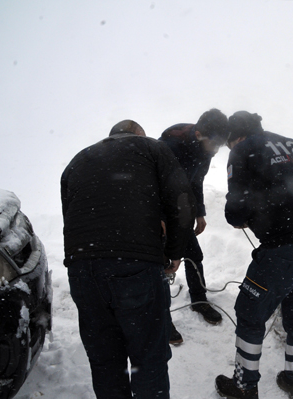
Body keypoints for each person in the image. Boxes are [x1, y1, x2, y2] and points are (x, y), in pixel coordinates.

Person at [61, 120, 195, 399]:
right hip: (134, 266)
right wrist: (174, 252)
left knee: (105, 360)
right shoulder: (152, 148)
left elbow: (70, 215)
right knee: (149, 359)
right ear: (138, 135)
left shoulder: (77, 160)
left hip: (82, 270)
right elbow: (181, 202)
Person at [215, 111, 293, 399]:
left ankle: (243, 386)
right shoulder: (292, 143)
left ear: (235, 137)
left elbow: (237, 208)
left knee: (249, 311)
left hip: (285, 247)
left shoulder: (242, 149)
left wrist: (239, 215)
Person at [158, 109, 229, 327]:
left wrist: (199, 213)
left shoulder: (205, 152)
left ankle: (199, 300)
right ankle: (161, 317)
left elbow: (195, 183)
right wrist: (161, 221)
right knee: (161, 261)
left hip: (182, 210)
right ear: (198, 135)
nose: (216, 151)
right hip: (159, 211)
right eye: (215, 144)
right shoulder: (170, 146)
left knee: (194, 255)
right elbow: (156, 186)